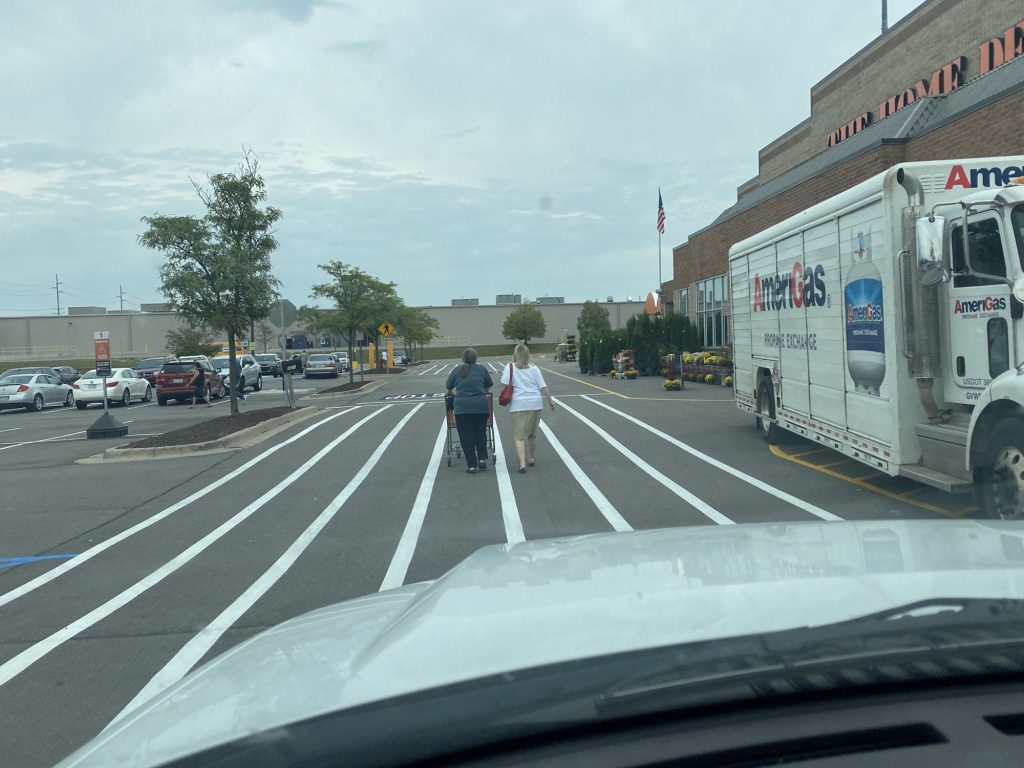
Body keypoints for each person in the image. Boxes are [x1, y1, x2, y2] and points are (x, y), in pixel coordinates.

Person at [500, 343, 555, 473]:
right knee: (532, 434)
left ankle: (522, 463)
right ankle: (531, 457)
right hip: (535, 403)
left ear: (515, 354)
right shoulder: (534, 368)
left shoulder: (509, 367)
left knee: (519, 436)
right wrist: (550, 401)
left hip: (518, 404)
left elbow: (504, 383)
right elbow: (543, 387)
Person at [445, 347, 493, 474]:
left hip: (462, 408)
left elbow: (448, 386)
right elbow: (488, 385)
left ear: (463, 358)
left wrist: (451, 392)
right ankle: (482, 459)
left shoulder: (456, 370)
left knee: (466, 436)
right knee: (480, 432)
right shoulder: (482, 369)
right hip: (480, 406)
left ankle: (471, 465)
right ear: (476, 358)